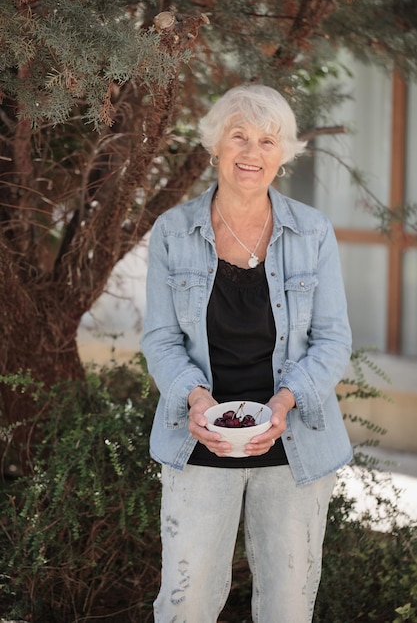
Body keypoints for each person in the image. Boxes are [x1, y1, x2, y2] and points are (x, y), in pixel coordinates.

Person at [141, 83, 352, 623]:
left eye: (266, 140)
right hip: (200, 439)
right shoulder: (172, 232)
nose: (251, 153)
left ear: (282, 154)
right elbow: (161, 338)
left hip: (295, 444)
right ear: (215, 144)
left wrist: (284, 403)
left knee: (287, 606)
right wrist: (195, 397)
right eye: (239, 136)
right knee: (184, 604)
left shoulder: (313, 232)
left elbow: (333, 340)